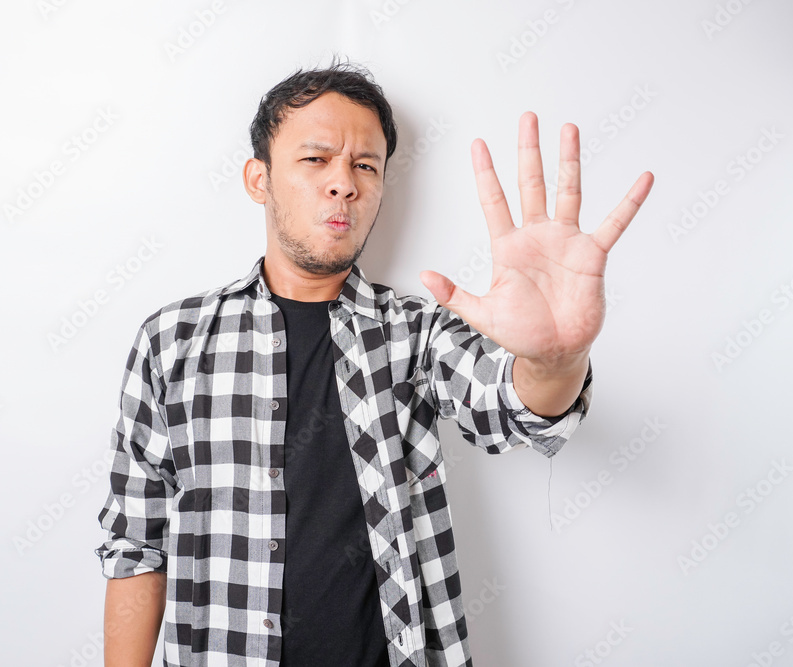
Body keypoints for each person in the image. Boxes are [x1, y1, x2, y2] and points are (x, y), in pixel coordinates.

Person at [94, 58, 653, 667]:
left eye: (365, 165)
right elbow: (136, 544)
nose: (344, 183)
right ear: (259, 178)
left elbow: (513, 411)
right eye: (316, 159)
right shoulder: (172, 340)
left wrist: (556, 358)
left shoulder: (417, 332)